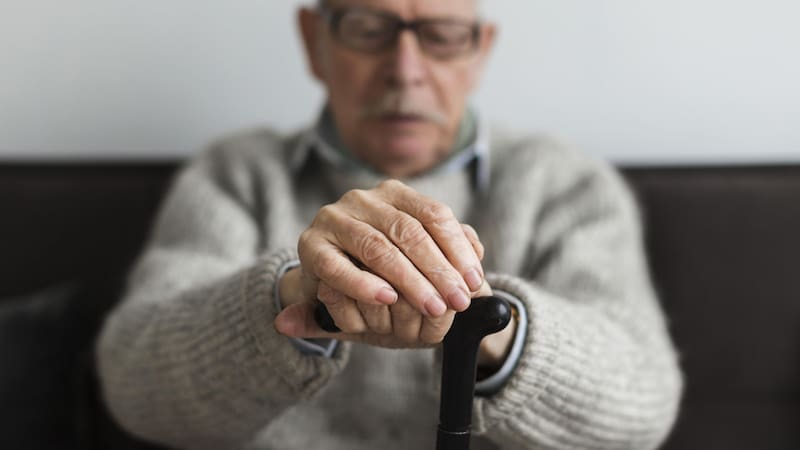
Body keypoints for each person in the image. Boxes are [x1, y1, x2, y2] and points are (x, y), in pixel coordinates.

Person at [96, 0, 683, 449]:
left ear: (480, 49)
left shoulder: (565, 183)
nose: (405, 71)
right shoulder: (236, 174)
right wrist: (298, 295)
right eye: (368, 30)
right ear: (312, 40)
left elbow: (642, 405)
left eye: (443, 36)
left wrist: (482, 321)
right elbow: (134, 383)